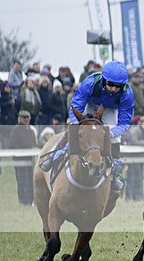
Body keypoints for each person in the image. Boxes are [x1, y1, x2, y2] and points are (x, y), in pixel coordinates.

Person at [39, 60, 134, 192]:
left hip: (111, 110)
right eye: (110, 84)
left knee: (114, 138)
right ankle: (55, 155)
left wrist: (111, 133)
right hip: (90, 105)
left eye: (117, 86)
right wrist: (79, 124)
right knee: (75, 128)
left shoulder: (127, 94)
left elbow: (124, 123)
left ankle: (115, 172)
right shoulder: (90, 83)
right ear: (104, 80)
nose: (113, 89)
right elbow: (75, 108)